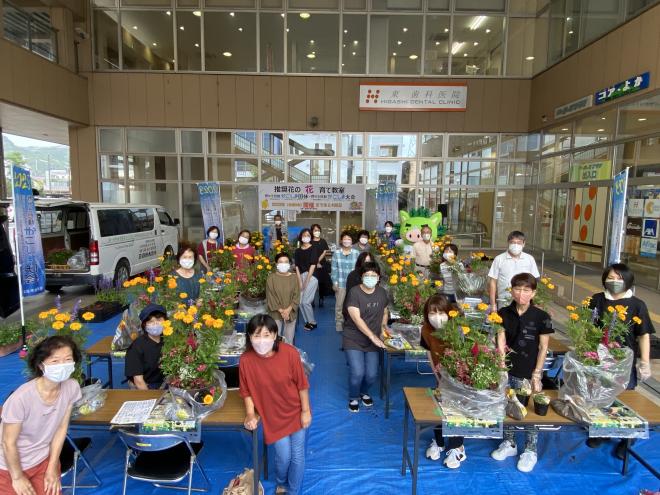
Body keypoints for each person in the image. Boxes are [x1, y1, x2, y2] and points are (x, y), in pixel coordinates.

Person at [0, 335, 82, 495]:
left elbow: (60, 429)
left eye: (67, 359)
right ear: (41, 365)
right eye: (55, 361)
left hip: (42, 460)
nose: (62, 365)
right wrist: (17, 478)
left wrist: (52, 466)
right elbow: (8, 443)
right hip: (9, 466)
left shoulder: (71, 387)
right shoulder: (21, 398)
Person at [239, 315, 311, 495]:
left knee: (297, 455)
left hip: (295, 410)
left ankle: (293, 491)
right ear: (249, 336)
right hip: (273, 416)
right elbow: (246, 391)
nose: (262, 340)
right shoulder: (246, 360)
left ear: (275, 335)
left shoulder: (290, 353)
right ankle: (281, 483)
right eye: (256, 335)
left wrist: (306, 411)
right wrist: (250, 413)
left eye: (266, 335)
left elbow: (302, 385)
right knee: (283, 457)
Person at [492, 273, 553, 473]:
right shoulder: (503, 312)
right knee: (507, 406)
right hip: (507, 368)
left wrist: (537, 374)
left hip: (528, 370)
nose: (521, 293)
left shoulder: (541, 317)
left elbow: (543, 347)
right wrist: (501, 366)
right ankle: (509, 443)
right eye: (517, 289)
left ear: (533, 292)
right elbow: (500, 340)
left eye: (526, 290)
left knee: (528, 409)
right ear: (511, 290)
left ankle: (530, 449)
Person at [588, 263, 654, 389]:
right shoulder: (597, 299)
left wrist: (645, 362)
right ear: (605, 279)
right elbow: (588, 328)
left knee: (623, 401)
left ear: (628, 281)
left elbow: (644, 335)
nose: (615, 281)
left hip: (624, 363)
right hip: (597, 360)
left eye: (619, 278)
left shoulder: (637, 305)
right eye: (611, 278)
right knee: (595, 397)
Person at [419, 294, 466, 469]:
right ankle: (438, 441)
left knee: (456, 409)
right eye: (432, 312)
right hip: (441, 372)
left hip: (460, 374)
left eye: (441, 312)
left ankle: (457, 447)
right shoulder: (426, 330)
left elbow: (465, 353)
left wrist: (458, 378)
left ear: (449, 312)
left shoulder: (458, 328)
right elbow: (429, 353)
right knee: (439, 406)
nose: (437, 317)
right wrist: (438, 376)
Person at [342, 262, 388, 412]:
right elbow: (356, 319)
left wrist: (382, 329)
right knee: (357, 372)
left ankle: (364, 392)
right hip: (353, 337)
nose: (370, 278)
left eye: (373, 275)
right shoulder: (354, 293)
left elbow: (385, 311)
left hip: (373, 339)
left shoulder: (382, 293)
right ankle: (354, 397)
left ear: (379, 277)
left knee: (371, 375)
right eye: (367, 275)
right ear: (361, 277)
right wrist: (373, 337)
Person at [488, 231, 540, 311]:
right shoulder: (499, 259)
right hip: (504, 301)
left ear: (524, 244)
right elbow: (493, 282)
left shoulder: (529, 259)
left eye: (519, 243)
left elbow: (535, 281)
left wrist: (536, 301)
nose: (516, 245)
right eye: (513, 242)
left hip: (524, 301)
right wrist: (493, 304)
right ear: (508, 243)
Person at [125, 304, 168, 390]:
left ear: (166, 321)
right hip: (146, 385)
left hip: (166, 383)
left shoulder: (170, 340)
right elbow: (139, 381)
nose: (155, 323)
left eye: (159, 319)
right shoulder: (137, 346)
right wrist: (151, 399)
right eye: (150, 321)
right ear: (144, 325)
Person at [266, 253, 300, 344]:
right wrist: (282, 311)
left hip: (291, 312)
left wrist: (288, 310)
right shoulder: (271, 278)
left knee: (289, 339)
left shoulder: (294, 277)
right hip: (275, 312)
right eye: (280, 262)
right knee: (274, 338)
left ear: (289, 264)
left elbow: (296, 295)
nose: (283, 264)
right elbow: (270, 296)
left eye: (286, 262)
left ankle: (288, 357)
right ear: (276, 264)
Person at [331, 231, 360, 333]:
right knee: (339, 305)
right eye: (345, 239)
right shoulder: (337, 253)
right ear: (341, 240)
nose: (347, 241)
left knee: (353, 305)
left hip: (354, 285)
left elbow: (359, 269)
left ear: (352, 241)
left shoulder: (357, 253)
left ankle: (352, 324)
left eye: (349, 239)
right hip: (341, 284)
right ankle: (339, 323)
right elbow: (334, 269)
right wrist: (334, 283)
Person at [294, 229, 318, 331]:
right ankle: (308, 321)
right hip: (301, 276)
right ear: (301, 237)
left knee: (306, 302)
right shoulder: (297, 251)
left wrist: (306, 281)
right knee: (299, 302)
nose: (306, 237)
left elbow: (313, 265)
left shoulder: (314, 248)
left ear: (311, 237)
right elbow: (297, 267)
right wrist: (300, 281)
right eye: (304, 235)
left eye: (308, 235)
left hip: (311, 277)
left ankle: (313, 322)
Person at [310, 224, 333, 308]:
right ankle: (311, 300)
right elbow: (309, 253)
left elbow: (324, 252)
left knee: (321, 283)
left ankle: (321, 298)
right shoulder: (309, 241)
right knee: (312, 283)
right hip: (311, 264)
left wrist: (318, 262)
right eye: (315, 230)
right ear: (312, 231)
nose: (317, 232)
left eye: (318, 230)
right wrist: (315, 263)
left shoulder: (323, 241)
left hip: (321, 264)